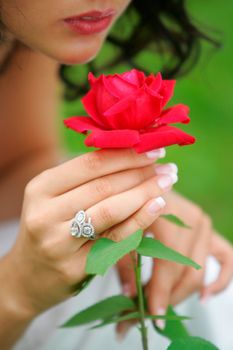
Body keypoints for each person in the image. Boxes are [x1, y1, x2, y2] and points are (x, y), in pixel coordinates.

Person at [0, 1, 232, 349]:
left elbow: (17, 163)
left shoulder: (20, 27)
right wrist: (17, 291)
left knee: (187, 271)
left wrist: (132, 198)